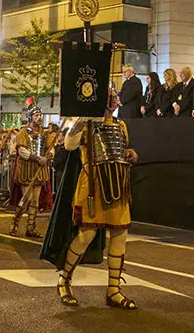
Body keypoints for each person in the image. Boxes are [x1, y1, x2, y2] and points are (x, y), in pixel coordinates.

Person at [43, 90, 140, 309]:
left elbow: (119, 150)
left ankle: (113, 291)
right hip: (92, 186)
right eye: (113, 98)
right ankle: (64, 280)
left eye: (116, 98)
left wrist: (129, 153)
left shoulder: (120, 125)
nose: (116, 101)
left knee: (120, 235)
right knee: (86, 235)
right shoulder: (85, 124)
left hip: (116, 185)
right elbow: (69, 145)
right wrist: (81, 118)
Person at [9, 103, 54, 238]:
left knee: (35, 201)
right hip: (26, 170)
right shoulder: (23, 132)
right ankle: (15, 223)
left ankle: (31, 227)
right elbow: (21, 150)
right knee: (26, 199)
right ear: (30, 117)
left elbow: (50, 148)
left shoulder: (44, 133)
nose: (39, 118)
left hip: (39, 171)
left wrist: (48, 157)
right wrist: (37, 159)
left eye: (40, 115)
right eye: (36, 115)